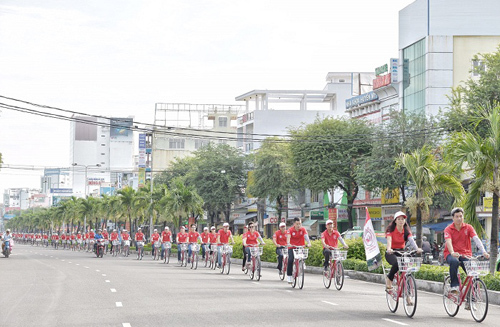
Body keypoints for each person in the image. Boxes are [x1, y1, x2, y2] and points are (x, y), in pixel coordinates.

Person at [444, 207, 489, 298]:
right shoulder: (448, 229)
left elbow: (476, 239)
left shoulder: (468, 227)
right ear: (453, 218)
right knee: (454, 262)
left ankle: (471, 299)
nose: (459, 218)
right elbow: (448, 241)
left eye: (461, 216)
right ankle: (454, 286)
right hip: (451, 254)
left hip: (465, 255)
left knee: (474, 274)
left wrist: (484, 251)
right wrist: (452, 252)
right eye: (457, 216)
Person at [385, 211, 422, 292]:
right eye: (399, 219)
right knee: (396, 263)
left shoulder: (406, 231)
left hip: (402, 252)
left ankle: (407, 296)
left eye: (402, 219)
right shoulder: (390, 230)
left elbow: (411, 240)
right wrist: (389, 249)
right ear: (395, 220)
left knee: (406, 272)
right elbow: (389, 241)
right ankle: (389, 278)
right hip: (392, 252)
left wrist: (417, 249)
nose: (401, 221)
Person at [286, 217, 312, 284]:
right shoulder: (290, 230)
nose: (298, 226)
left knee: (303, 255)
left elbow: (306, 236)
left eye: (300, 224)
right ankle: (289, 276)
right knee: (290, 259)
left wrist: (309, 243)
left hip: (300, 247)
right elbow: (288, 237)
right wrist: (288, 243)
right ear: (294, 224)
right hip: (292, 247)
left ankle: (302, 263)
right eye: (297, 224)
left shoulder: (303, 229)